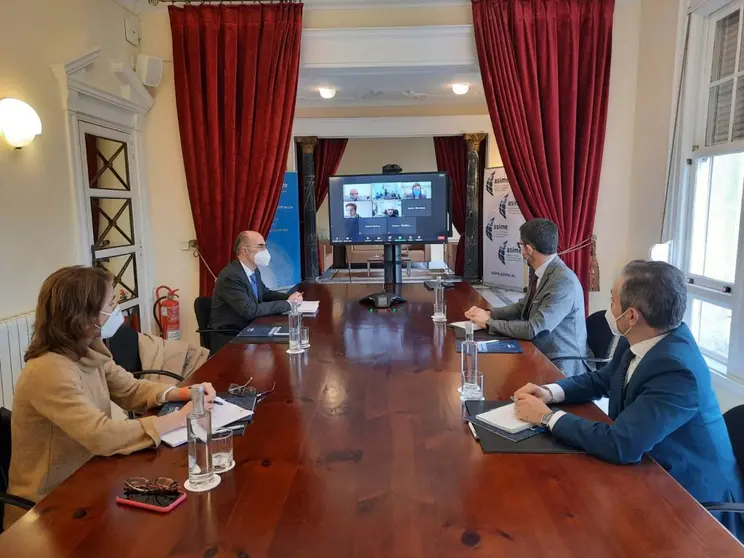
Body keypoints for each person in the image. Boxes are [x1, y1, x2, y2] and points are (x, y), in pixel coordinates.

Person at [513, 260, 744, 541]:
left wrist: (546, 417)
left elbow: (621, 444)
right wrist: (550, 392)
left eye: (612, 299)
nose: (609, 307)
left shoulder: (677, 369)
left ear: (632, 315)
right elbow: (603, 379)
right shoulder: (639, 336)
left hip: (693, 504)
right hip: (649, 465)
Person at [5, 266, 215, 529]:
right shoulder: (49, 370)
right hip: (48, 507)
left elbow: (129, 389)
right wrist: (178, 419)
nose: (118, 310)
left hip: (90, 478)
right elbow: (101, 435)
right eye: (112, 303)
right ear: (82, 316)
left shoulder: (89, 349)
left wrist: (178, 393)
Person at [465, 219, 590, 377]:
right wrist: (490, 314)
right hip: (538, 351)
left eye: (520, 245)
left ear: (528, 249)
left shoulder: (563, 282)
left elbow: (534, 329)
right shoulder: (542, 271)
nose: (520, 250)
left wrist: (489, 324)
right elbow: (522, 307)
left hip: (559, 365)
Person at [210, 230, 303, 353]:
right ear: (245, 251)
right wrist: (288, 304)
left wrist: (289, 297)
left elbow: (265, 293)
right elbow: (250, 310)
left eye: (265, 246)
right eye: (260, 246)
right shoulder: (231, 276)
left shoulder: (253, 270)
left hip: (252, 327)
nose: (265, 250)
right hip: (232, 337)